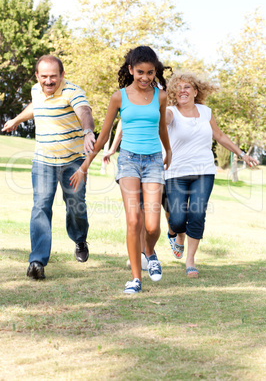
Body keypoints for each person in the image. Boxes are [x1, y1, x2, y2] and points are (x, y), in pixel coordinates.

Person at [70, 46, 172, 294]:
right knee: (133, 220)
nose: (145, 77)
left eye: (150, 72)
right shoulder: (119, 97)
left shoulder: (160, 96)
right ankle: (136, 279)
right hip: (127, 160)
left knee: (151, 225)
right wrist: (85, 166)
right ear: (131, 70)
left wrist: (169, 151)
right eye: (140, 72)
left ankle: (150, 251)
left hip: (153, 161)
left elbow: (161, 129)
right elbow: (103, 136)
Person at [1, 55, 95, 280]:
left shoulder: (72, 91)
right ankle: (37, 261)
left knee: (75, 205)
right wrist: (15, 120)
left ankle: (80, 239)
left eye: (54, 76)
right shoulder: (36, 89)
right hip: (43, 160)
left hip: (73, 161)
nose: (49, 81)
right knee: (40, 206)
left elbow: (85, 112)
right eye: (44, 76)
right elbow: (36, 106)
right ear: (37, 76)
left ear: (62, 75)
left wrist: (88, 131)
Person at [164, 71, 258, 278]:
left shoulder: (205, 112)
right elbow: (164, 120)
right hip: (175, 172)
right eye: (178, 88)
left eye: (187, 87)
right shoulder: (170, 112)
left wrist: (242, 154)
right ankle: (177, 234)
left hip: (204, 172)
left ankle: (190, 261)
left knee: (197, 214)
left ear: (196, 91)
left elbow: (220, 136)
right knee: (177, 219)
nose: (182, 91)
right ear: (173, 92)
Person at [102, 119, 148, 271]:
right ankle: (141, 254)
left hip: (158, 161)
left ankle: (173, 235)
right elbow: (124, 121)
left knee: (162, 214)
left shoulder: (162, 99)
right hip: (132, 160)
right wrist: (113, 148)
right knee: (138, 210)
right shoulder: (130, 97)